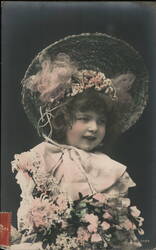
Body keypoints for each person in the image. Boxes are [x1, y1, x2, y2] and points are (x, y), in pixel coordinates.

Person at [10, 33, 148, 250]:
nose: (93, 128)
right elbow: (27, 216)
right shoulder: (40, 158)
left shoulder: (110, 169)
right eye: (84, 119)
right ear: (63, 120)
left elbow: (120, 230)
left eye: (101, 121)